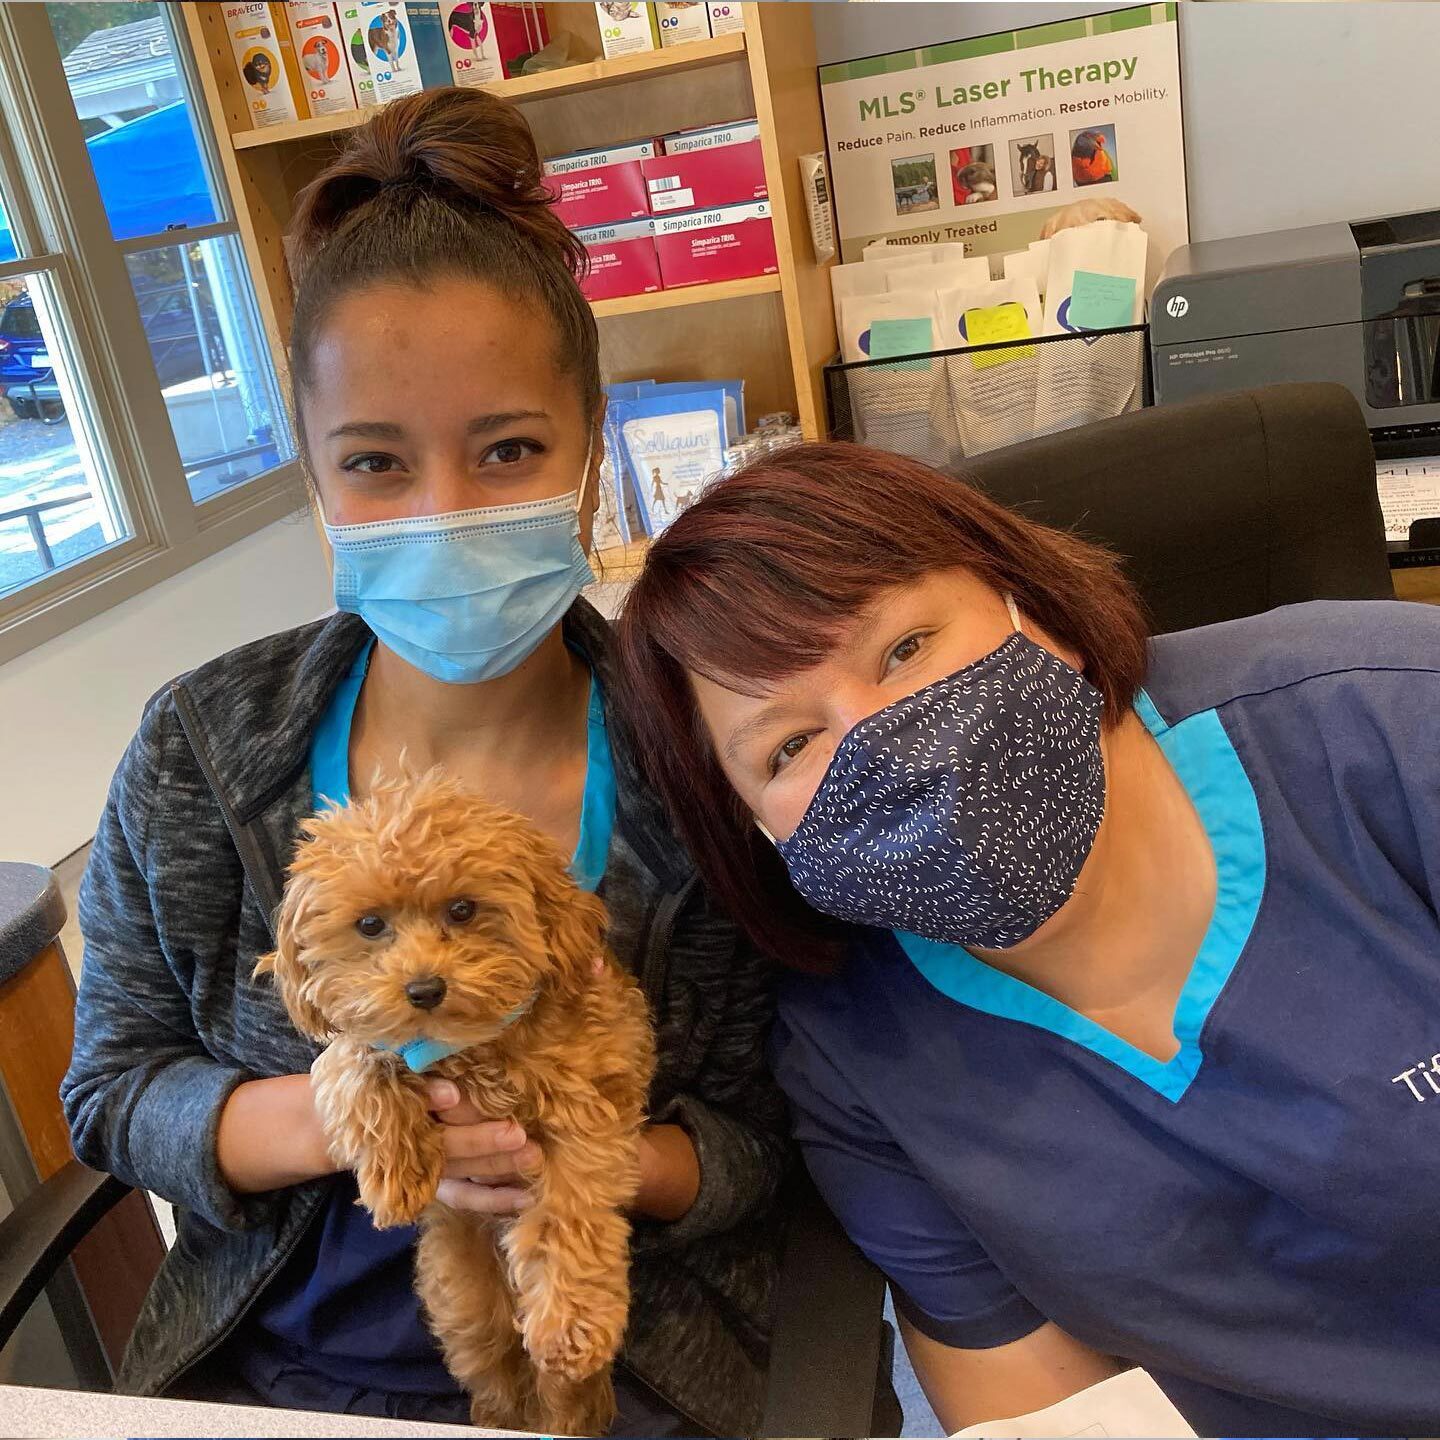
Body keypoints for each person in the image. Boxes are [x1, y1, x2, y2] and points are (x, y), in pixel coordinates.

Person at [61, 87, 788, 1437]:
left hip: (623, 1358)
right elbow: (112, 1093)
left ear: (589, 453)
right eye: (378, 463)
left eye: (507, 449)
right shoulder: (203, 751)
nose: (444, 511)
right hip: (280, 1361)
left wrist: (608, 1166)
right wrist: (341, 1116)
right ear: (314, 478)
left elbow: (786, 1137)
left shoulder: (706, 746)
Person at [612, 440, 1440, 1436]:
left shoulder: (1392, 725)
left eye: (906, 649)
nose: (882, 742)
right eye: (789, 747)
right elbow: (1046, 1404)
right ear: (754, 835)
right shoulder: (853, 1059)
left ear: (1033, 605)